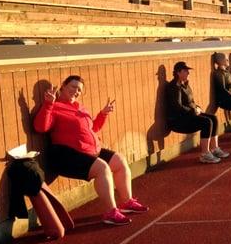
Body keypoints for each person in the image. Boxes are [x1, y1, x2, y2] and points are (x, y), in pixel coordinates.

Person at [34, 75, 148, 226]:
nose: (76, 91)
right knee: (102, 168)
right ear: (63, 86)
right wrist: (48, 104)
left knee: (119, 160)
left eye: (79, 89)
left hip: (90, 150)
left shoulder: (80, 107)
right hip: (66, 154)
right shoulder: (54, 106)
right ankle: (110, 213)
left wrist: (103, 114)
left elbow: (93, 128)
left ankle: (127, 202)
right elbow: (40, 127)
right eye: (73, 87)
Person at [166, 61, 229, 164]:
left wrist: (197, 108)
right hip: (179, 120)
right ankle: (205, 154)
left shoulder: (185, 84)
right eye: (185, 71)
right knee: (207, 122)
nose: (188, 73)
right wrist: (194, 110)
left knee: (214, 118)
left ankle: (214, 148)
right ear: (178, 72)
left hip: (189, 115)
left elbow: (191, 102)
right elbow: (178, 107)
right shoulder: (174, 87)